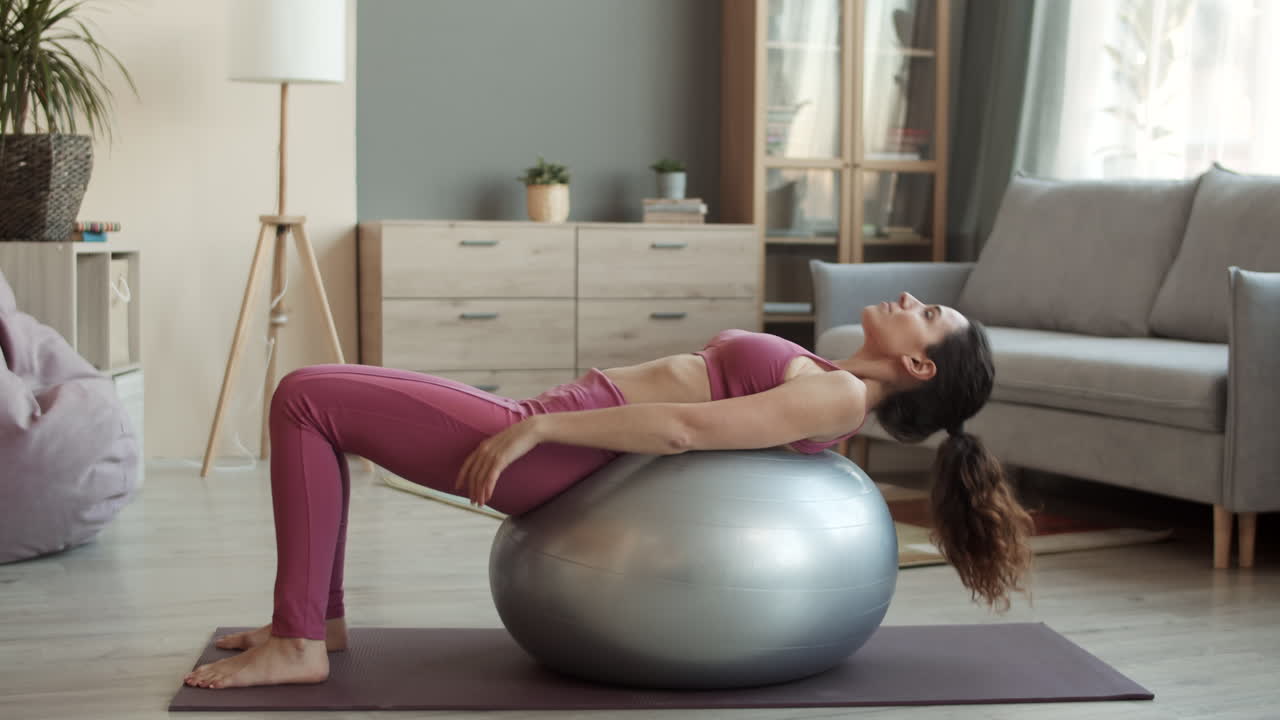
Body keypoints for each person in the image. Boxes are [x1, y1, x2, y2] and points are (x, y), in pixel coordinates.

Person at [183, 292, 1033, 689]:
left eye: (929, 315)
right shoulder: (833, 376)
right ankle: (315, 621)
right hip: (554, 428)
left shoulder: (840, 396)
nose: (912, 298)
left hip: (552, 444)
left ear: (918, 365)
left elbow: (683, 429)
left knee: (304, 395)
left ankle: (301, 640)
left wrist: (539, 428)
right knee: (318, 394)